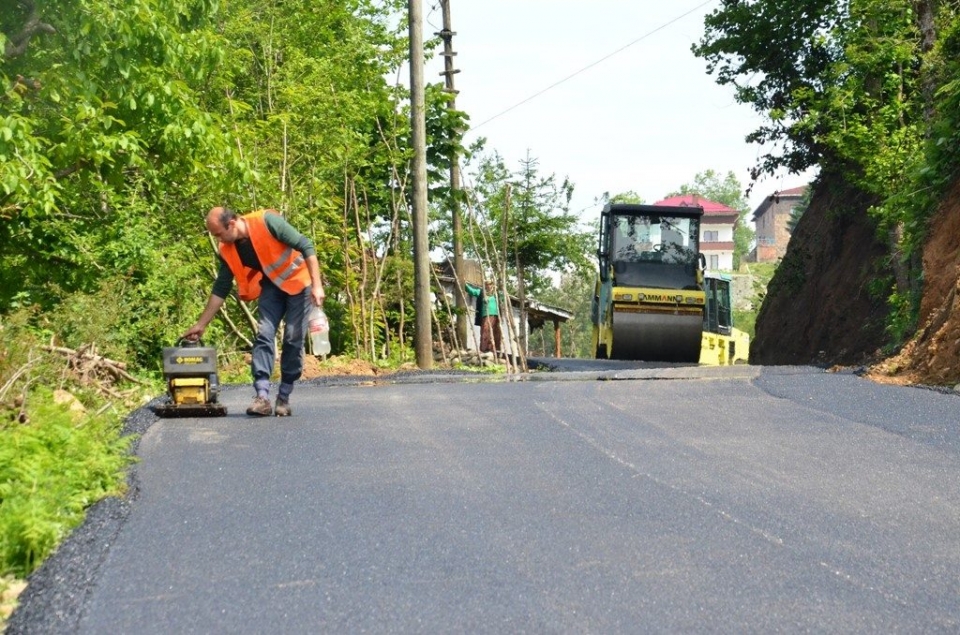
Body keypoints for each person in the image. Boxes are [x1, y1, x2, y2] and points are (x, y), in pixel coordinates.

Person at [183, 207, 324, 417]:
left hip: (300, 283)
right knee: (264, 334)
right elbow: (220, 288)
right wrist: (201, 324)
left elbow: (306, 245)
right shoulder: (227, 249)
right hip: (272, 286)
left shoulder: (266, 222)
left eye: (219, 233)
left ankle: (284, 397)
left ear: (231, 223)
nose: (218, 239)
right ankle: (262, 397)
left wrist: (317, 285)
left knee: (293, 339)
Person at [465, 280, 502, 355]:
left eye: (490, 284)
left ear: (492, 285)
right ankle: (485, 349)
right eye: (487, 284)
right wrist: (464, 283)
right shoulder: (481, 292)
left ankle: (494, 349)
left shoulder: (496, 294)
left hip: (495, 315)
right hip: (485, 315)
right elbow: (471, 291)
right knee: (485, 331)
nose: (488, 286)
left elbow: (504, 298)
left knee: (495, 332)